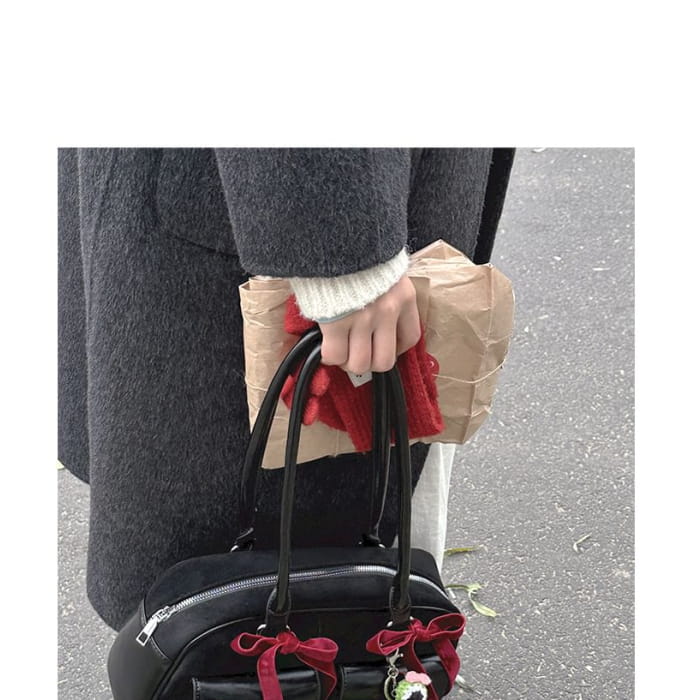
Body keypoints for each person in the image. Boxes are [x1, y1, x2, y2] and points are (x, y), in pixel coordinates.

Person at [58, 147, 514, 631]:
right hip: (297, 212)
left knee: (348, 553)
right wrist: (342, 250)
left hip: (324, 210)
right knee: (242, 599)